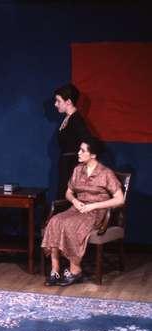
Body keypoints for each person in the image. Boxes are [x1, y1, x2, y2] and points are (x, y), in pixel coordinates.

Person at [41, 136, 124, 286]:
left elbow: (119, 199)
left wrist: (93, 206)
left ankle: (75, 270)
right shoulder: (78, 170)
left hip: (96, 212)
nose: (78, 152)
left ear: (93, 155)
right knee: (55, 221)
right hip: (77, 208)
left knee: (72, 225)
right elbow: (68, 192)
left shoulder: (106, 173)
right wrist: (75, 201)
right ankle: (55, 269)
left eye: (82, 150)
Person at [54, 83, 91, 197]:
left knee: (67, 200)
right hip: (66, 166)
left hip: (71, 167)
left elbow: (87, 141)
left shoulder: (76, 120)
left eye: (58, 101)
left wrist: (78, 166)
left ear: (68, 102)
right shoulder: (68, 118)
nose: (55, 104)